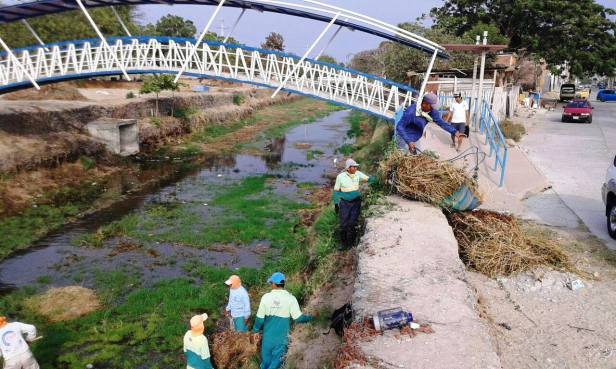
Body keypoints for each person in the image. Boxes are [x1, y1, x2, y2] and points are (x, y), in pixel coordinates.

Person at [252, 272, 312, 369]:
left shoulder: (265, 298)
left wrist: (255, 331)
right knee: (276, 364)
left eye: (271, 283)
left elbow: (259, 320)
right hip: (281, 339)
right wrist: (311, 318)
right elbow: (299, 319)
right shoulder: (290, 299)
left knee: (265, 363)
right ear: (283, 284)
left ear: (274, 284)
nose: (270, 285)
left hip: (267, 339)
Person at [396, 92, 463, 153]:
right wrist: (409, 142)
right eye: (431, 106)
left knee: (417, 158)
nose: (433, 109)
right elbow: (399, 126)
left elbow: (441, 123)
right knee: (402, 158)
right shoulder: (411, 112)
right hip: (404, 137)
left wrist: (455, 132)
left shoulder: (432, 111)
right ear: (424, 104)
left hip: (415, 137)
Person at [332, 158, 373, 250]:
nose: (355, 168)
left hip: (356, 202)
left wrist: (376, 179)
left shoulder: (358, 174)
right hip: (344, 203)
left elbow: (368, 179)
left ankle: (351, 244)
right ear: (348, 168)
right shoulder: (340, 177)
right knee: (343, 224)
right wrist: (336, 203)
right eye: (353, 167)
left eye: (356, 167)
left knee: (352, 223)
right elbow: (336, 191)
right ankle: (343, 244)